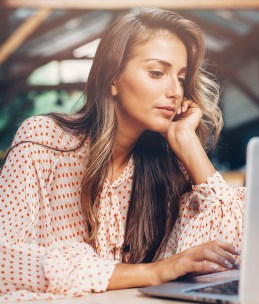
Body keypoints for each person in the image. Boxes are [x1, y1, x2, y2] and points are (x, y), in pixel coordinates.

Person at [0, 8, 245, 302]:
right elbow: (5, 259)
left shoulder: (165, 167)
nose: (175, 91)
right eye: (157, 73)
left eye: (181, 78)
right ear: (112, 78)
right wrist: (153, 272)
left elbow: (229, 252)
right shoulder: (45, 140)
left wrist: (188, 144)